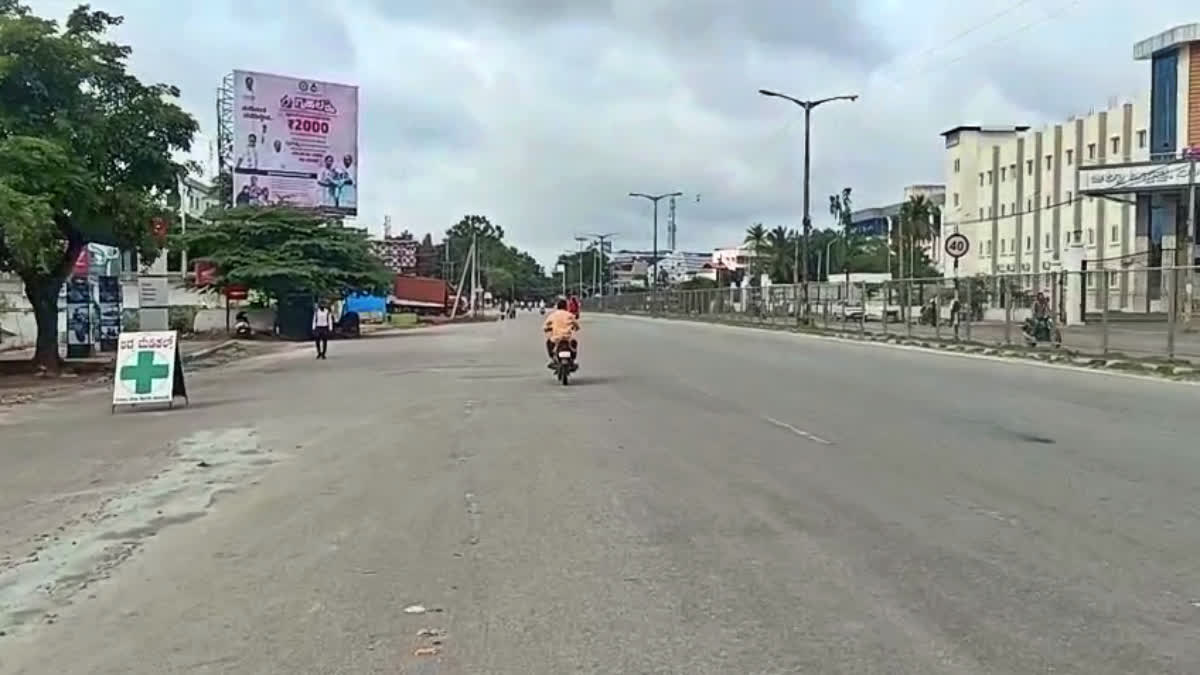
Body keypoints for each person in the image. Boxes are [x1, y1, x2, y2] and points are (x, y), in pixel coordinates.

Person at [542, 299, 580, 368]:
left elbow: (545, 326)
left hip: (556, 338)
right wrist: (575, 328)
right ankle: (572, 360)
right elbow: (577, 326)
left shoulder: (553, 315)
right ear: (566, 307)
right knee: (574, 343)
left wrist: (548, 329)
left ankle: (553, 358)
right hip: (567, 338)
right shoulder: (570, 315)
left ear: (557, 307)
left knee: (548, 343)